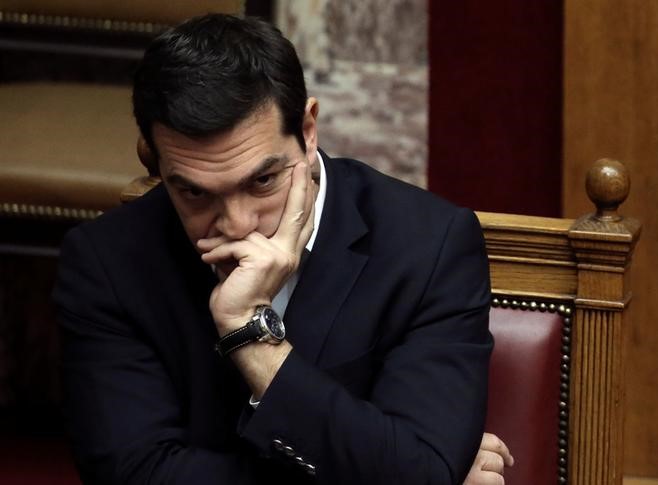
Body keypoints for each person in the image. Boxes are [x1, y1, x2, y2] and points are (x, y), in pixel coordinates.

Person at [53, 14, 512, 484]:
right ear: (158, 160)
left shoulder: (427, 245)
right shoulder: (107, 261)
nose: (237, 224)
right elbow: (134, 473)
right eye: (194, 193)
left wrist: (251, 337)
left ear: (308, 130)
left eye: (263, 180)